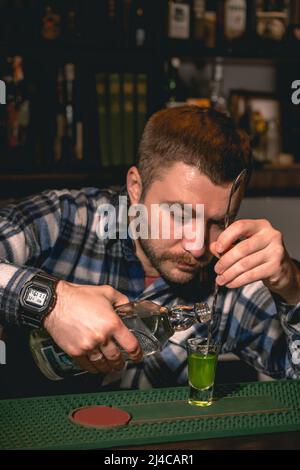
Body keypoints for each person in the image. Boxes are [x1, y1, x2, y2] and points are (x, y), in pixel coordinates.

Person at [1, 106, 300, 397]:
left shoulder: (231, 273)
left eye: (218, 222)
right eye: (180, 215)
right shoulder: (67, 219)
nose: (197, 248)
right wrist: (53, 301)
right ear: (135, 186)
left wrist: (292, 288)